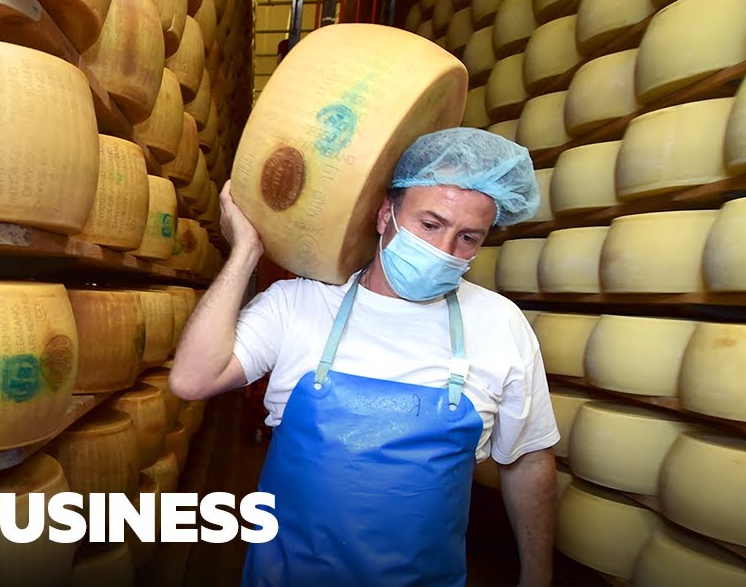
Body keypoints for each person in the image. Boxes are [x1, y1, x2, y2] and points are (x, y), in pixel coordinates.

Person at [170, 127, 559, 587]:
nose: (443, 250)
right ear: (385, 214)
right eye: (430, 224)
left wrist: (538, 576)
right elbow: (192, 379)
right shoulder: (302, 302)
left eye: (468, 237)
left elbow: (528, 460)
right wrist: (244, 254)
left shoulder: (499, 323)